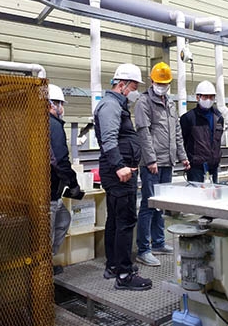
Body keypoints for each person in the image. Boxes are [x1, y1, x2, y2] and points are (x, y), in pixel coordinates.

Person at [93, 63, 152, 291]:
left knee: (116, 220)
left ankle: (114, 265)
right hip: (119, 173)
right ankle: (125, 275)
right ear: (122, 84)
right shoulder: (110, 105)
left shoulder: (116, 104)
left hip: (120, 171)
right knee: (126, 221)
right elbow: (109, 139)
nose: (135, 91)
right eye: (134, 87)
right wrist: (119, 166)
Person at [134, 62, 190, 267]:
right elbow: (144, 133)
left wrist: (183, 156)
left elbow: (177, 132)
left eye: (165, 83)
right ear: (152, 81)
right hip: (153, 163)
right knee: (149, 205)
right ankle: (143, 249)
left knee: (162, 204)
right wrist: (150, 160)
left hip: (168, 161)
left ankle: (158, 242)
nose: (162, 86)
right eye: (159, 83)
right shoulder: (143, 102)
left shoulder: (170, 103)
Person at [48, 83, 84, 276]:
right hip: (48, 192)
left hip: (51, 191)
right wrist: (74, 184)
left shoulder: (38, 122)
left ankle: (47, 261)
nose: (61, 108)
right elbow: (60, 160)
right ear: (51, 104)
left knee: (63, 219)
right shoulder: (53, 125)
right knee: (46, 234)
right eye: (60, 103)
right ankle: (44, 271)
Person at [180, 80, 224, 183]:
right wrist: (186, 159)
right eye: (205, 97)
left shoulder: (218, 117)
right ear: (197, 97)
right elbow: (182, 141)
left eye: (211, 97)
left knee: (214, 192)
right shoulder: (188, 118)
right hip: (196, 168)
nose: (208, 99)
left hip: (213, 166)